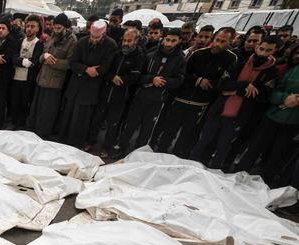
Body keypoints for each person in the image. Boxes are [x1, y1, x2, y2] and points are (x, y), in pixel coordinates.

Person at [193, 35, 280, 169]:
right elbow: (222, 85)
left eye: (268, 50)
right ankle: (192, 165)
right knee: (204, 141)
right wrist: (244, 85)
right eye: (261, 49)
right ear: (257, 47)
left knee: (223, 146)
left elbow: (263, 95)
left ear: (274, 51)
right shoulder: (240, 62)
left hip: (239, 115)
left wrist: (236, 91)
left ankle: (214, 171)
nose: (262, 53)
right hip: (219, 109)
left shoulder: (272, 72)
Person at [154, 27, 237, 158]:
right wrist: (198, 80)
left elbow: (225, 82)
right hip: (181, 98)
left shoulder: (231, 59)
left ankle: (177, 157)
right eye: (217, 40)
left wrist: (212, 85)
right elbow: (183, 74)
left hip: (201, 103)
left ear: (230, 41)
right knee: (169, 130)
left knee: (187, 134)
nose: (218, 44)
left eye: (223, 41)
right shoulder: (198, 54)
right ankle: (160, 153)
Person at [111, 28, 186, 158]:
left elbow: (179, 80)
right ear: (163, 38)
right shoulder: (151, 54)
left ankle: (139, 153)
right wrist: (151, 79)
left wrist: (163, 81)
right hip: (141, 95)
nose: (169, 44)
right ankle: (121, 147)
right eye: (167, 40)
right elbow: (138, 75)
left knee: (147, 128)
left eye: (173, 41)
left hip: (158, 99)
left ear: (179, 41)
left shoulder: (180, 59)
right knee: (130, 124)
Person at [234, 45, 297, 187]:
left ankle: (265, 184)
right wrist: (284, 98)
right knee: (255, 147)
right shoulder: (292, 70)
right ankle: (238, 175)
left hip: (293, 123)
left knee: (277, 154)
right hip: (273, 116)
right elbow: (274, 91)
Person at [58, 20, 117, 149]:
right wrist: (87, 69)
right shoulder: (82, 42)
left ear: (104, 33)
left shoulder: (111, 45)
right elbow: (73, 63)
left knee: (83, 117)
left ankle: (77, 142)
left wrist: (94, 70)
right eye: (92, 37)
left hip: (92, 87)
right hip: (76, 85)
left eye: (97, 37)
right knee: (69, 114)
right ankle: (64, 139)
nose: (94, 40)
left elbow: (106, 67)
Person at [91, 28, 144, 158]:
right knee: (97, 119)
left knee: (112, 124)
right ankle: (90, 142)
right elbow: (106, 69)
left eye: (129, 40)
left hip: (121, 96)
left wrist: (122, 79)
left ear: (136, 41)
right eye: (124, 40)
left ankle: (106, 147)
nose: (126, 43)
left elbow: (136, 77)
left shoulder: (139, 56)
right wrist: (112, 77)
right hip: (106, 92)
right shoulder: (116, 53)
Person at [26, 12, 77, 138]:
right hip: (42, 78)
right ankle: (33, 132)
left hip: (55, 82)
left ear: (66, 27)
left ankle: (43, 135)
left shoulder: (72, 41)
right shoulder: (52, 36)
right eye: (55, 27)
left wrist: (52, 61)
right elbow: (43, 53)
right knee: (37, 110)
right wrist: (45, 56)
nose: (56, 30)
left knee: (48, 112)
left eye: (59, 28)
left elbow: (70, 63)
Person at [10, 14, 43, 130]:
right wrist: (25, 62)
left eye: (32, 26)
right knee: (14, 102)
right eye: (28, 26)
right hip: (16, 77)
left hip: (29, 80)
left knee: (25, 103)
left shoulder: (39, 43)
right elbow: (13, 58)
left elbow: (34, 61)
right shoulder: (20, 41)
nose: (29, 28)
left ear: (38, 28)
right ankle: (14, 123)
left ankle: (22, 125)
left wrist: (21, 61)